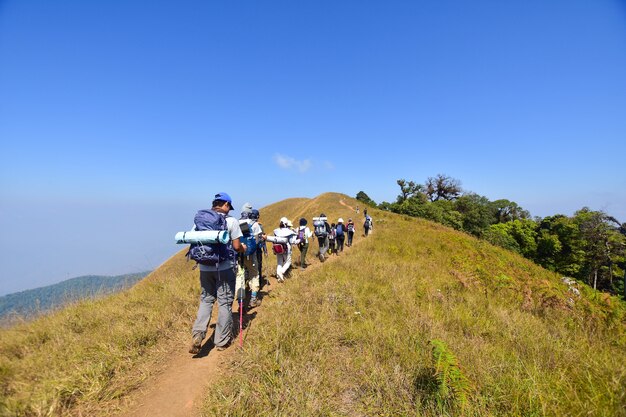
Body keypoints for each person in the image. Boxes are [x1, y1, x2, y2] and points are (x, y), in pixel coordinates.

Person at [189, 192, 247, 354]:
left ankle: (198, 335)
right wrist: (244, 248)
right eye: (229, 206)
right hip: (225, 267)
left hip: (204, 267)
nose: (229, 210)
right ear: (226, 205)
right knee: (224, 303)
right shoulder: (231, 221)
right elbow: (236, 247)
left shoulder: (201, 220)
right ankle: (221, 341)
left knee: (206, 301)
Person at [235, 204, 264, 309]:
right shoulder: (254, 224)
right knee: (254, 274)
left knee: (240, 277)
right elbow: (257, 240)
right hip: (251, 255)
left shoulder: (236, 223)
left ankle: (240, 302)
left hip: (239, 255)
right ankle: (253, 299)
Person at [273, 217, 298, 282]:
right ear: (286, 224)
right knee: (288, 262)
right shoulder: (288, 231)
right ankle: (281, 272)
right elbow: (292, 241)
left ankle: (279, 276)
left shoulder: (276, 231)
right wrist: (299, 240)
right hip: (286, 248)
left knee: (279, 263)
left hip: (278, 248)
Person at [249, 209, 268, 289]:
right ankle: (258, 284)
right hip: (257, 249)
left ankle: (250, 283)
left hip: (247, 249)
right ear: (257, 216)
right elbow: (262, 239)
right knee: (258, 265)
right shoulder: (259, 226)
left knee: (249, 267)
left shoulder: (245, 223)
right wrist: (265, 250)